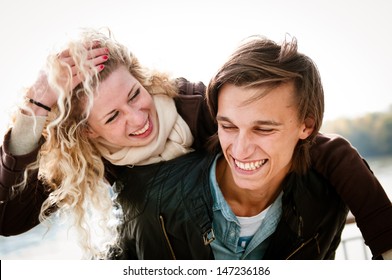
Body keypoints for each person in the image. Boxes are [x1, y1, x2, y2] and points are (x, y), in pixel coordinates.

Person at [0, 29, 391, 259]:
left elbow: (324, 149)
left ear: (143, 80)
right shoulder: (88, 157)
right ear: (89, 132)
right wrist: (36, 106)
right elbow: (9, 220)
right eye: (113, 117)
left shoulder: (192, 106)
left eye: (135, 95)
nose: (139, 119)